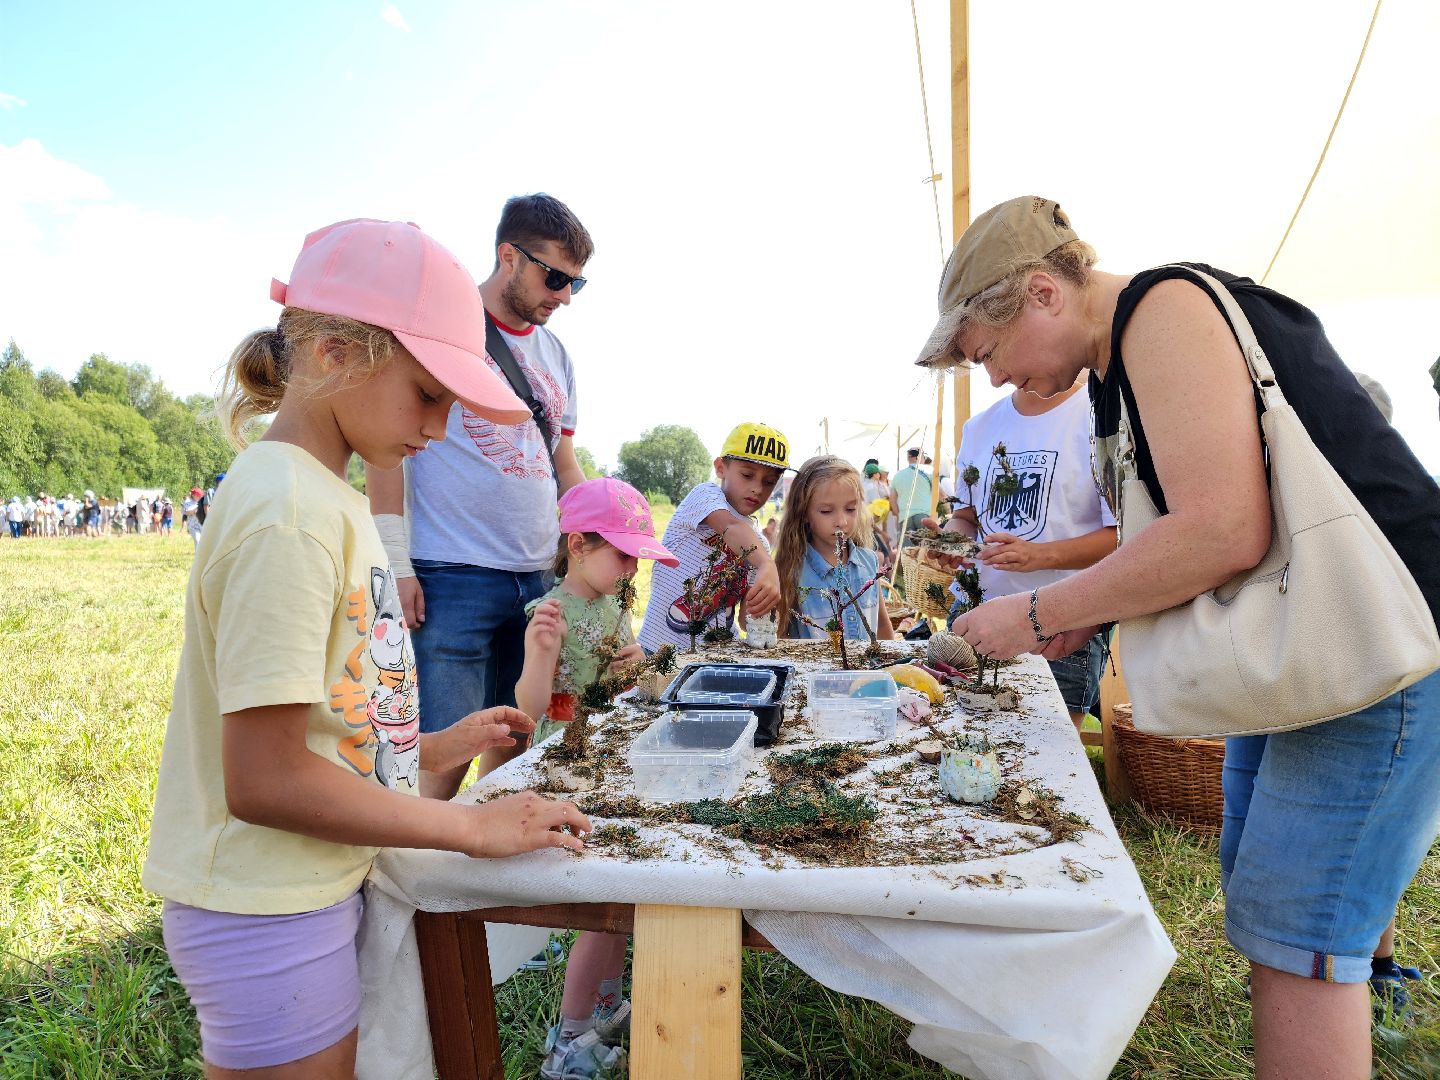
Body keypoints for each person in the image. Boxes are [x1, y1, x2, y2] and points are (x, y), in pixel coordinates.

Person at [920, 196, 1440, 1080]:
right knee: (1268, 899)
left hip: (1378, 645)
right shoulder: (1125, 357)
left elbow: (1221, 529)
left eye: (987, 353)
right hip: (1314, 646)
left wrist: (1040, 610)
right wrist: (1090, 605)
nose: (998, 379)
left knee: (1301, 937)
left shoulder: (1164, 311)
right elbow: (1207, 526)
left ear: (1042, 294)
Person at [141, 218, 592, 1080]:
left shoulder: (326, 499)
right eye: (429, 395)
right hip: (263, 904)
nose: (443, 426)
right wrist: (464, 825)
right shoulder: (286, 515)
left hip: (300, 888)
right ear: (339, 354)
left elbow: (319, 737)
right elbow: (265, 779)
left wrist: (431, 749)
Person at [367, 193, 593, 800]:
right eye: (554, 276)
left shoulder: (558, 356)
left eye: (576, 283)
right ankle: (412, 886)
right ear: (508, 256)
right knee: (441, 752)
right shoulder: (444, 328)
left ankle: (484, 888)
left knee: (516, 744)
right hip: (454, 573)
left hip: (537, 574)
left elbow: (561, 459)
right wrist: (397, 561)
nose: (564, 295)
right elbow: (387, 448)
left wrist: (597, 537)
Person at [513, 477, 678, 1080]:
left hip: (607, 758)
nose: (631, 566)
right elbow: (528, 709)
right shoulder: (549, 613)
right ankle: (571, 1037)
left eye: (636, 556)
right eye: (621, 553)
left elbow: (619, 684)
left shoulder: (612, 607)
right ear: (578, 545)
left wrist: (633, 667)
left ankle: (607, 1005)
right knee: (599, 902)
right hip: (568, 765)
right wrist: (538, 655)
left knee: (621, 893)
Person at [930, 374, 1117, 730]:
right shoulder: (979, 426)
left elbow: (1122, 537)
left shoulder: (1099, 416)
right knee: (956, 738)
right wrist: (951, 543)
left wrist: (1039, 556)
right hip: (975, 613)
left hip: (1063, 625)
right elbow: (965, 517)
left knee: (1047, 761)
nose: (994, 372)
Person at [637, 422, 787, 652]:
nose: (758, 488)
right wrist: (767, 563)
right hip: (657, 651)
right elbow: (730, 526)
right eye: (747, 475)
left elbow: (746, 620)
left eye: (769, 481)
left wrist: (763, 607)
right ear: (720, 468)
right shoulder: (704, 496)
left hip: (717, 656)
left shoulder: (760, 546)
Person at [773, 455, 895, 642]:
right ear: (804, 512)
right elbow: (779, 634)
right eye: (826, 511)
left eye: (850, 509)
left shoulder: (870, 561)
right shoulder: (792, 569)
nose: (842, 521)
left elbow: (881, 626)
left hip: (867, 671)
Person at [890, 448, 933, 538]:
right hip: (924, 516)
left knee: (906, 550)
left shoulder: (897, 475)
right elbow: (941, 493)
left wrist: (899, 515)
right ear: (920, 457)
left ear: (908, 457)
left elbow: (892, 501)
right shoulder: (929, 471)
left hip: (905, 518)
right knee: (925, 549)